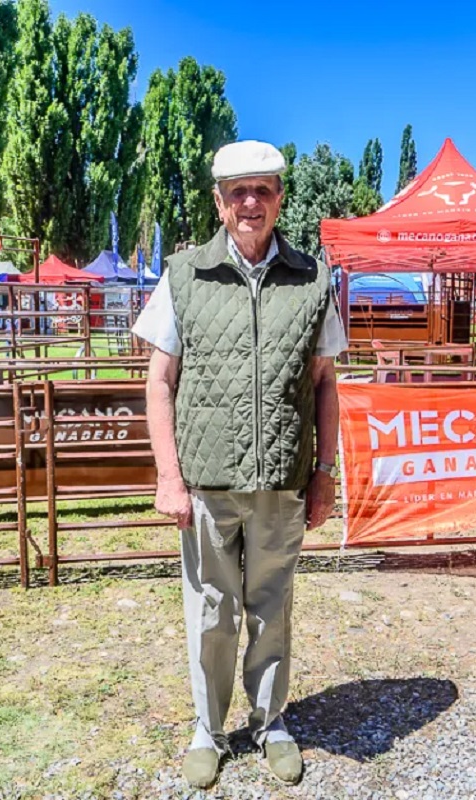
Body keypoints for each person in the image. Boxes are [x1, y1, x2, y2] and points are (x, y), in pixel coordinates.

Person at [132, 140, 347, 789]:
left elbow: (326, 382)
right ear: (219, 201)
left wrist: (324, 471)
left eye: (263, 190)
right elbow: (159, 381)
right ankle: (208, 728)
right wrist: (169, 477)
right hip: (206, 481)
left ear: (279, 198)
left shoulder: (312, 279)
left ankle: (271, 720)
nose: (250, 202)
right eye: (237, 192)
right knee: (210, 609)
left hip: (281, 479)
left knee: (271, 605)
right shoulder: (185, 276)